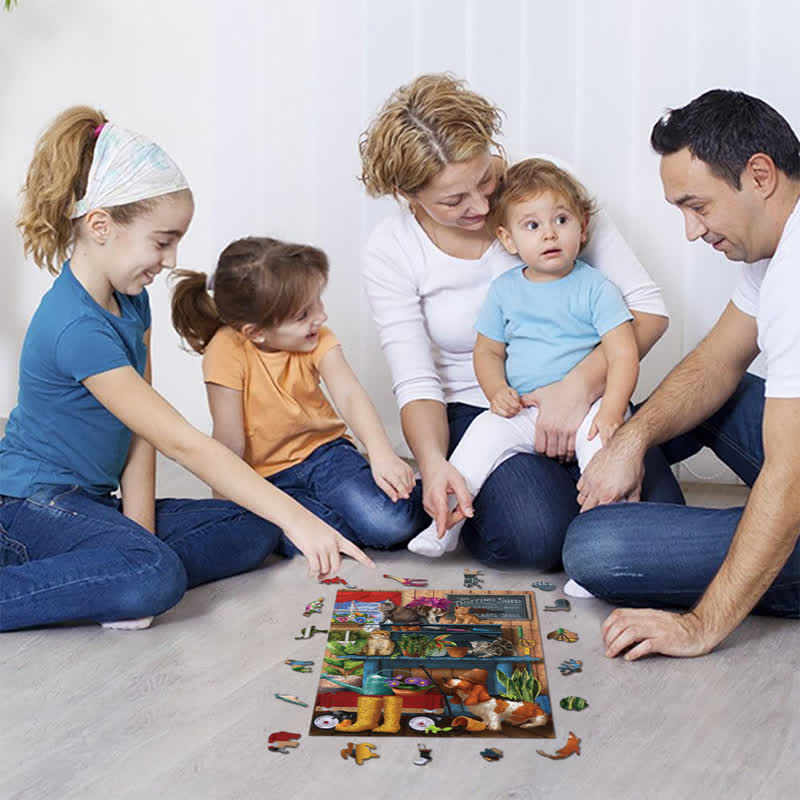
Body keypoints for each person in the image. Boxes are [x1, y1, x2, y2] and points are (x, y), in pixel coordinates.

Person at [0, 106, 373, 633]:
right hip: (31, 505)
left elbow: (143, 436)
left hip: (93, 502)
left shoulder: (132, 302)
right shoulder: (74, 327)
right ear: (101, 225)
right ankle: (103, 574)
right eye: (161, 240)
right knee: (152, 576)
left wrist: (141, 531)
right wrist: (301, 520)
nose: (172, 258)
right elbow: (182, 441)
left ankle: (106, 572)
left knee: (251, 525)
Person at [360, 73, 684, 569]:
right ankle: (495, 502)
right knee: (537, 537)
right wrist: (433, 463)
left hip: (589, 388)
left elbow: (647, 309)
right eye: (454, 200)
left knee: (659, 518)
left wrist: (576, 389)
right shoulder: (392, 249)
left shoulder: (547, 194)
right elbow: (417, 380)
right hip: (483, 406)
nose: (483, 206)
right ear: (408, 194)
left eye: (486, 178)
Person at [564, 89, 800, 659]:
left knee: (598, 548)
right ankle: (623, 483)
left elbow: (791, 478)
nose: (693, 232)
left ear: (760, 175)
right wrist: (631, 442)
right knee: (717, 394)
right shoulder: (775, 248)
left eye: (699, 206)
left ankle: (740, 548)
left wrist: (699, 626)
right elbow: (716, 362)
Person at [407, 158, 639, 557]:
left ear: (583, 228)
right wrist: (496, 391)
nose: (549, 233)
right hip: (525, 408)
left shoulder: (596, 288)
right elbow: (489, 351)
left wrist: (612, 412)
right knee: (480, 438)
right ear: (508, 239)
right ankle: (444, 525)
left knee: (605, 464)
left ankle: (603, 550)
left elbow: (623, 355)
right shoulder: (505, 290)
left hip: (589, 409)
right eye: (532, 226)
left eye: (561, 220)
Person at [170, 237, 429, 555]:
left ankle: (424, 490)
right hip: (267, 477)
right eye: (303, 314)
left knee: (390, 525)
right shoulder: (225, 350)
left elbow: (349, 395)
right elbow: (228, 438)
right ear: (256, 332)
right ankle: (356, 514)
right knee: (298, 542)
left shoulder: (317, 338)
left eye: (317, 302)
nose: (320, 317)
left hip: (326, 454)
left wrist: (381, 453)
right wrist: (229, 503)